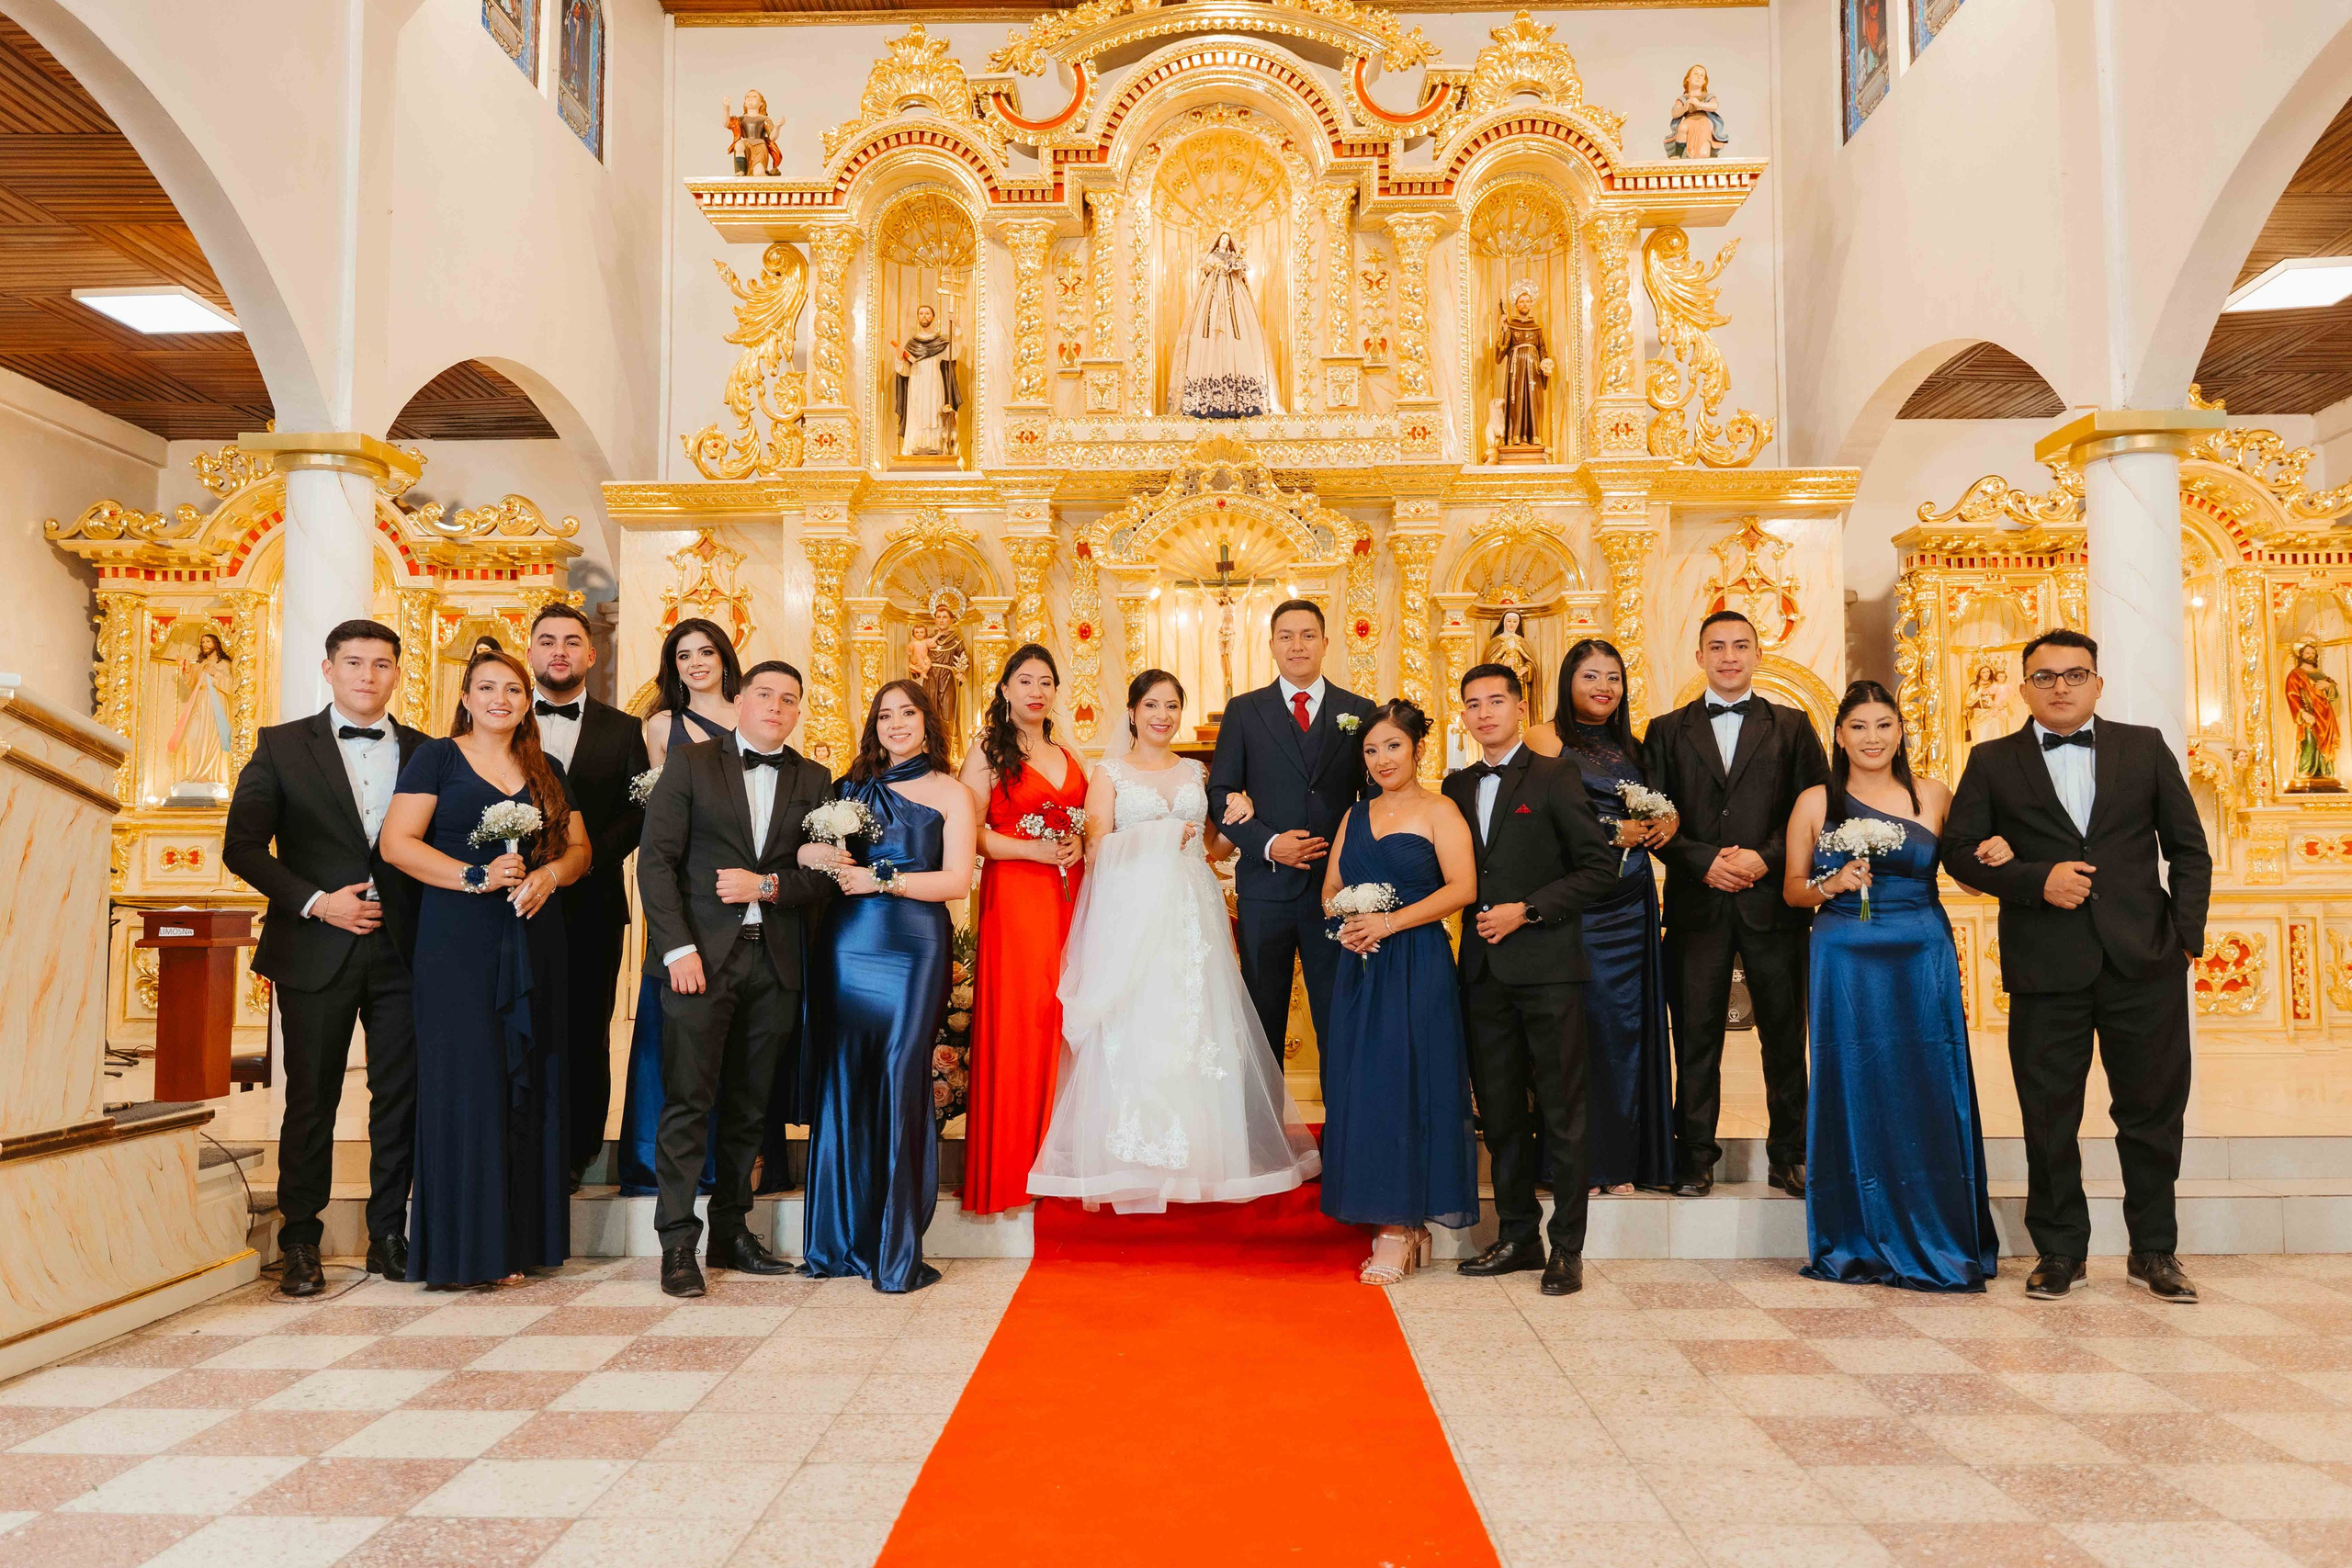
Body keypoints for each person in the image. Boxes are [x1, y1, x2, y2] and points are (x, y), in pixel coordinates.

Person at [1941, 629, 2212, 1303]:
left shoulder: (2143, 746)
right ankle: (2060, 1249)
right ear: (2024, 686)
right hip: (2045, 966)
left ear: (2098, 682)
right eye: (2045, 676)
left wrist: (2183, 940)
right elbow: (1959, 851)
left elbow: (2189, 849)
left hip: (2143, 962)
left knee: (2152, 1114)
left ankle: (2155, 1249)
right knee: (2048, 1114)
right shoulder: (1993, 759)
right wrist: (2037, 880)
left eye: (2074, 674)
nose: (2060, 686)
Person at [1031, 671, 1321, 1212]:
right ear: (1133, 711)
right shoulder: (1109, 772)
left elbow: (1210, 849)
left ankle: (1203, 1155)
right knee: (1139, 1023)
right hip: (1133, 912)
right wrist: (1161, 834)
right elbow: (1097, 849)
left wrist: (1238, 818)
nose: (1163, 715)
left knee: (1196, 1022)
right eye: (1152, 705)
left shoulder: (1195, 771)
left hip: (1192, 911)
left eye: (1172, 705)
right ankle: (1134, 1157)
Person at [223, 619, 426, 1296]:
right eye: (354, 663)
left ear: (398, 673)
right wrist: (317, 901)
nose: (367, 675)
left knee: (400, 1097)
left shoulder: (427, 751)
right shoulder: (281, 747)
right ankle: (301, 1239)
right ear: (328, 669)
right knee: (311, 1098)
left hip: (407, 952)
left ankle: (389, 1233)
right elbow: (243, 846)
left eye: (380, 664)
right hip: (315, 946)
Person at [379, 649, 589, 1289]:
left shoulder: (544, 767)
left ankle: (519, 1241)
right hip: (458, 941)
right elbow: (396, 845)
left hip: (532, 935)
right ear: (466, 697)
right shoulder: (436, 758)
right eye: (487, 688)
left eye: (514, 690)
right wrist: (474, 876)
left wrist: (551, 874)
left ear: (528, 702)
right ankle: (467, 1249)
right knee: (466, 1084)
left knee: (529, 1081)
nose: (501, 698)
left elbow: (581, 848)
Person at [1784, 682, 1996, 1292]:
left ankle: (1942, 1235)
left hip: (1921, 951)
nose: (1872, 737)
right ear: (1840, 734)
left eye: (1884, 724)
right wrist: (1834, 883)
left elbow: (1971, 874)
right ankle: (1857, 1234)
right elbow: (1793, 888)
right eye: (1859, 726)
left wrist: (1997, 855)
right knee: (1855, 1081)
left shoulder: (1932, 793)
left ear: (1900, 730)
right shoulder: (1814, 801)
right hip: (1845, 956)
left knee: (1929, 1083)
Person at [637, 660, 836, 1300]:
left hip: (775, 962)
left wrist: (772, 885)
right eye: (765, 695)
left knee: (750, 1107)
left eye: (789, 698)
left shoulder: (815, 778)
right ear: (741, 700)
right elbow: (656, 862)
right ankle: (675, 1242)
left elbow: (823, 875)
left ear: (799, 710)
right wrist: (677, 950)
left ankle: (731, 1230)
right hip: (699, 960)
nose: (776, 707)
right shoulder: (692, 762)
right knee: (688, 1102)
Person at [1441, 664, 1622, 1295]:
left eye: (1496, 700)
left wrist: (1530, 908)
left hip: (1547, 968)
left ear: (1521, 707)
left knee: (1562, 1109)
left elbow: (1599, 869)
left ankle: (1567, 1246)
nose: (1485, 712)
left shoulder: (1553, 775)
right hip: (1483, 974)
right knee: (1499, 1109)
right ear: (1462, 714)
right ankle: (1519, 1233)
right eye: (1473, 704)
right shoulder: (1455, 786)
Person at [1644, 610, 1828, 1197]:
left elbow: (1817, 809)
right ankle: (1694, 1155)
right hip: (1698, 904)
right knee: (1696, 1035)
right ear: (1698, 657)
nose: (1729, 656)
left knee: (1783, 1032)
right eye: (1717, 646)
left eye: (1740, 646)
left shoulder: (1793, 726)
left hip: (1774, 902)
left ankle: (1790, 1154)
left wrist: (1765, 859)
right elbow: (1652, 819)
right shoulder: (1666, 731)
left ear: (1757, 654)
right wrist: (1704, 861)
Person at [800, 682, 976, 1292]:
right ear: (873, 726)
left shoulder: (953, 792)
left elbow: (956, 881)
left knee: (902, 1079)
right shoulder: (850, 790)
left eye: (908, 713)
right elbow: (814, 851)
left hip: (914, 945)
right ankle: (839, 1240)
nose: (896, 723)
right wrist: (816, 856)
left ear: (928, 723)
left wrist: (884, 883)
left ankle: (895, 1251)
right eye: (885, 715)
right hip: (849, 945)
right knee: (844, 1079)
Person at [1319, 700, 1479, 1282]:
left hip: (1417, 961)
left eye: (1392, 746)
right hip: (1361, 965)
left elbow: (1463, 887)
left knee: (1412, 1081)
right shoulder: (1353, 815)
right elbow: (1332, 887)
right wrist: (1349, 916)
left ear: (1416, 750)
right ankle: (1397, 1222)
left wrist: (1389, 920)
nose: (1382, 759)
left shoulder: (1441, 811)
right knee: (1364, 1085)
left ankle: (1400, 1224)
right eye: (1371, 750)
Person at [1528, 639, 1678, 1194]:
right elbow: (1544, 815)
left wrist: (1669, 821)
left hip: (1631, 898)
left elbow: (1660, 810)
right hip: (1578, 904)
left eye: (1613, 678)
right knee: (1579, 1028)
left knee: (1627, 1026)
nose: (1603, 687)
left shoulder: (1633, 748)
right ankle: (1578, 1162)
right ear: (1568, 681)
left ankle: (1623, 1162)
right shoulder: (1546, 738)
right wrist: (1614, 832)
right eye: (1591, 675)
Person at [1206, 600, 1377, 1078]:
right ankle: (1264, 1150)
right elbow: (1220, 793)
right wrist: (1267, 843)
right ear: (1271, 646)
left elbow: (1373, 799)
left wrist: (1357, 869)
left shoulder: (1359, 711)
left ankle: (1347, 1138)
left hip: (1336, 892)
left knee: (1338, 1017)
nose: (1297, 645)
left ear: (1325, 643)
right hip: (1265, 889)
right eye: (1286, 636)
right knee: (1261, 1023)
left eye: (1307, 635)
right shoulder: (1243, 711)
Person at [524, 603, 651, 1192]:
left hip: (593, 902)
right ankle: (517, 1144)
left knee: (585, 1029)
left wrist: (581, 861)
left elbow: (638, 814)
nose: (559, 651)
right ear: (529, 651)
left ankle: (574, 1156)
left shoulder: (625, 730)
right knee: (519, 1023)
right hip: (508, 901)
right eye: (547, 641)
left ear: (591, 655)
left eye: (572, 642)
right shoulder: (500, 718)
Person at [957, 645, 1087, 1215]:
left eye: (1047, 682)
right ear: (1005, 688)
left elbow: (1088, 817)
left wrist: (1079, 841)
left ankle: (1068, 1160)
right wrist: (1034, 849)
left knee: (1071, 1016)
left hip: (1076, 893)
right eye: (1025, 680)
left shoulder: (1067, 750)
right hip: (1017, 896)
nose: (1037, 690)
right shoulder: (986, 751)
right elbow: (971, 832)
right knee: (1026, 1016)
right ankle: (1016, 1168)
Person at [615, 619, 742, 1195]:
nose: (696, 663)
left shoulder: (754, 712)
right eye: (684, 655)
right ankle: (657, 1161)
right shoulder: (663, 725)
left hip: (746, 895)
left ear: (724, 658)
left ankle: (737, 1163)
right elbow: (659, 817)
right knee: (676, 1027)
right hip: (685, 891)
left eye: (706, 652)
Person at [1169, 231, 1283, 418]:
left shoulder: (1232, 257)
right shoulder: (1212, 257)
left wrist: (1233, 268)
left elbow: (1242, 273)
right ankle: (1205, 399)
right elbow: (1204, 269)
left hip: (1232, 297)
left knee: (1238, 332)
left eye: (1227, 240)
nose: (1224, 242)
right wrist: (1216, 269)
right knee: (1209, 331)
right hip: (1212, 297)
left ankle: (1242, 400)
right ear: (1218, 242)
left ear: (1229, 243)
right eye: (1222, 239)